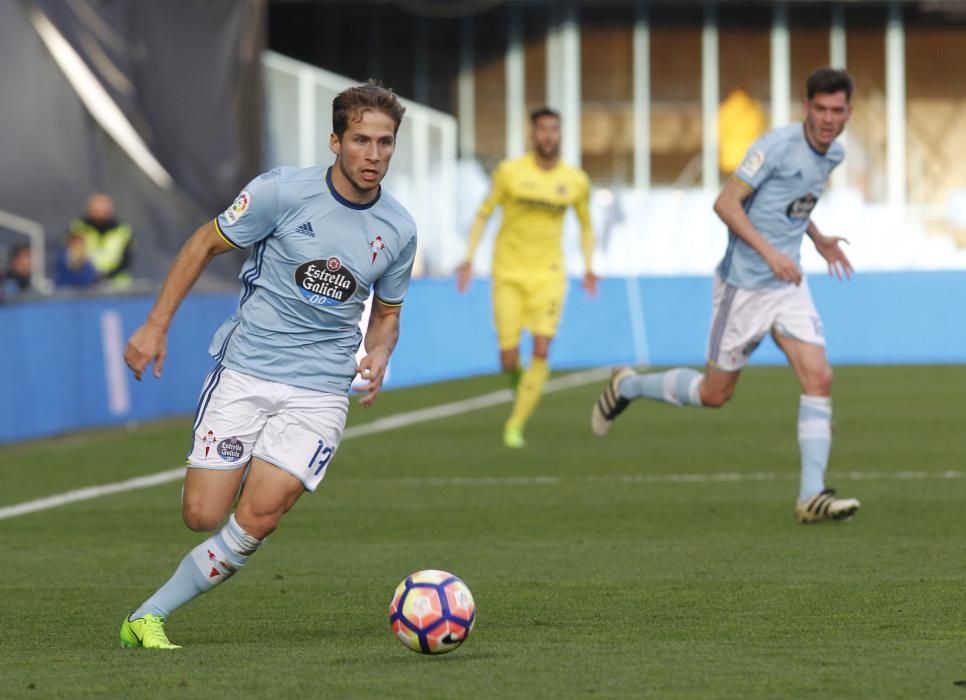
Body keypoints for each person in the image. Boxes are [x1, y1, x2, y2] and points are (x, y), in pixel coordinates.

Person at [119, 82, 416, 649]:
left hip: (322, 390)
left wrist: (379, 352)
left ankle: (146, 617)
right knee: (203, 515)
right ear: (335, 141)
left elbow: (386, 315)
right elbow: (201, 245)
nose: (373, 155)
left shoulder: (399, 229)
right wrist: (156, 324)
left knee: (262, 514)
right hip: (248, 370)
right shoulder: (281, 193)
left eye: (385, 143)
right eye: (361, 141)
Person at [591, 67, 860, 525]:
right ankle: (628, 385)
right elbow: (726, 203)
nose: (828, 118)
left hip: (788, 285)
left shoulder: (832, 154)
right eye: (820, 108)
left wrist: (815, 238)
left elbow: (796, 201)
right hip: (744, 286)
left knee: (821, 379)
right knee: (715, 394)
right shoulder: (773, 147)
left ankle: (811, 496)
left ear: (848, 112)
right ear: (805, 107)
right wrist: (772, 254)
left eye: (837, 110)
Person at [456, 107, 597, 449]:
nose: (548, 136)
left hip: (549, 276)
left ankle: (515, 425)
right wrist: (469, 259)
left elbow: (585, 225)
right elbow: (483, 214)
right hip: (507, 274)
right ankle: (520, 380)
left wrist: (590, 266)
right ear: (532, 134)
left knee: (542, 347)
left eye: (554, 129)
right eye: (542, 130)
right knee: (508, 357)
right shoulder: (510, 173)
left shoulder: (575, 180)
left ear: (560, 134)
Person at [69, 193, 133, 285]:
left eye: (104, 210)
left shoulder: (123, 230)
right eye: (96, 211)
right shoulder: (79, 228)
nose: (100, 214)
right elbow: (75, 259)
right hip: (87, 284)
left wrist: (108, 275)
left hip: (117, 285)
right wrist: (89, 274)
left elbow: (127, 260)